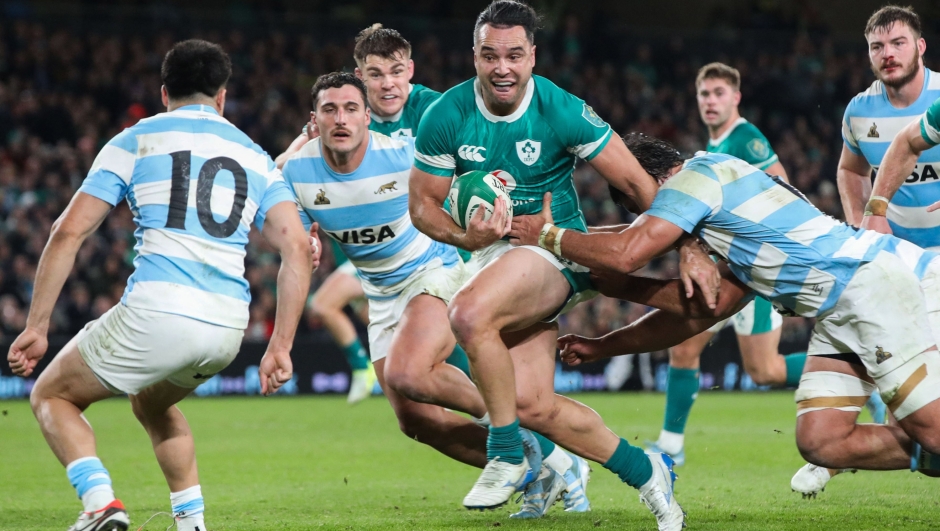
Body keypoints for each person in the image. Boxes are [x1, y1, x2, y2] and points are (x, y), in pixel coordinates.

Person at [408, 1, 717, 526]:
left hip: (554, 251)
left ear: (533, 56)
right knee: (532, 404)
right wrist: (464, 234)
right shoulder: (447, 115)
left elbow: (640, 185)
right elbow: (421, 207)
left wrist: (689, 246)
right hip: (493, 257)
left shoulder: (562, 109)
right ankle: (648, 472)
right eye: (489, 56)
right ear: (474, 57)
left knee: (468, 314)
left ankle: (507, 454)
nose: (501, 67)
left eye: (513, 55)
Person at [509, 133, 940, 487]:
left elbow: (626, 251)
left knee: (932, 429)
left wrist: (547, 236)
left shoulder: (697, 178)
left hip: (871, 286)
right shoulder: (725, 214)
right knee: (822, 441)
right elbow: (702, 310)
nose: (657, 225)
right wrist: (603, 346)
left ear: (641, 181)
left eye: (643, 208)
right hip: (838, 310)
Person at [7, 40, 317, 531]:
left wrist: (37, 326)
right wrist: (280, 346)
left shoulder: (136, 138)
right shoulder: (253, 154)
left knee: (51, 396)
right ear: (221, 96)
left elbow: (68, 231)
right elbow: (297, 249)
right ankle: (191, 522)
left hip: (158, 310)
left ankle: (100, 503)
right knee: (151, 402)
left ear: (164, 92)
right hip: (227, 327)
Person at [282, 72, 591, 519]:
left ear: (368, 117)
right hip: (379, 292)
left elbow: (466, 179)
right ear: (315, 120)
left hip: (434, 268)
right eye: (330, 110)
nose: (341, 118)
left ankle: (549, 452)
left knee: (409, 374)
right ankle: (538, 469)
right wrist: (304, 234)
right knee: (417, 422)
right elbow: (275, 197)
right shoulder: (297, 170)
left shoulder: (401, 154)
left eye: (351, 108)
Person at [274, 24, 471, 404]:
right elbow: (286, 166)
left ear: (410, 71)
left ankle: (517, 432)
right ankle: (510, 433)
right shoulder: (343, 117)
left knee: (456, 353)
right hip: (376, 258)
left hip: (442, 247)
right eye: (376, 75)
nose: (387, 85)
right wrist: (305, 228)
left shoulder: (433, 109)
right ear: (361, 78)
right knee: (414, 412)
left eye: (396, 72)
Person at [646, 62, 806, 467]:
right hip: (722, 269)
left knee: (764, 370)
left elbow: (784, 187)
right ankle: (671, 445)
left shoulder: (746, 140)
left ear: (736, 97)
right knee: (683, 346)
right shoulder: (715, 144)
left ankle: (857, 372)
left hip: (752, 272)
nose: (710, 101)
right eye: (705, 94)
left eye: (719, 93)